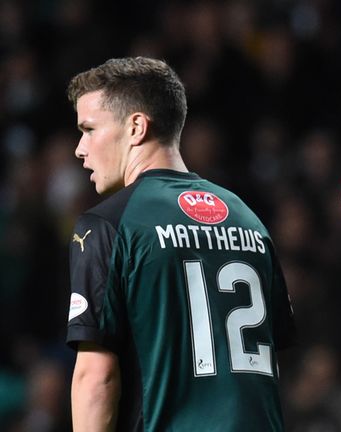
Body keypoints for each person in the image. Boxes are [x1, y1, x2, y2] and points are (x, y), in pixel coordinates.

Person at [65, 57, 295, 431]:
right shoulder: (248, 219)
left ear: (136, 126)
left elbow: (96, 378)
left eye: (89, 129)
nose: (80, 148)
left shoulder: (107, 224)